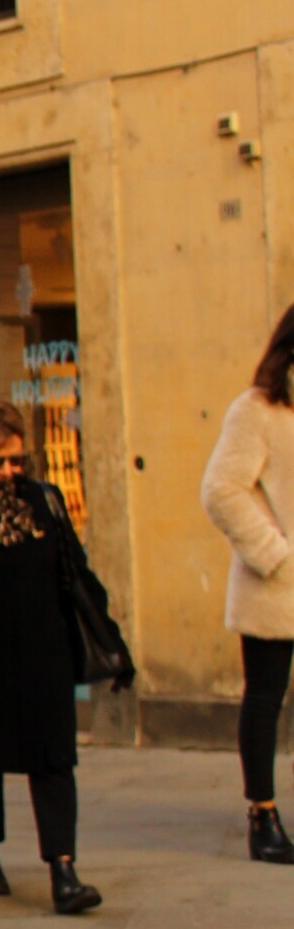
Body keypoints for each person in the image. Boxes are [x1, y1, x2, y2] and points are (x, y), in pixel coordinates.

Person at [0, 400, 106, 913]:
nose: (9, 472)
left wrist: (104, 634)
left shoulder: (46, 500)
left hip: (45, 652)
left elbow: (74, 570)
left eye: (17, 460)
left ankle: (63, 867)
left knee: (54, 759)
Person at [199, 303, 294, 864]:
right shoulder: (258, 408)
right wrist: (275, 554)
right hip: (277, 584)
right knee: (265, 698)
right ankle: (263, 813)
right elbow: (221, 489)